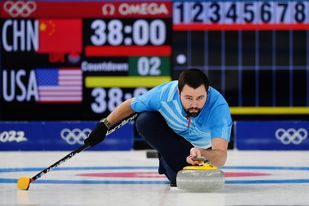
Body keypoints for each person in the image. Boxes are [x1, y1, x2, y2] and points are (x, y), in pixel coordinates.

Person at [84, 68, 232, 187]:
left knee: (181, 179)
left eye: (200, 98)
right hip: (174, 141)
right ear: (178, 92)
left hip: (201, 151)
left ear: (207, 92)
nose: (194, 104)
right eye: (188, 98)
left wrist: (201, 153)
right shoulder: (164, 94)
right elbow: (130, 105)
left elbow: (220, 157)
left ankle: (171, 158)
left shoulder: (218, 108)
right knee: (144, 120)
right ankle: (168, 155)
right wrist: (104, 126)